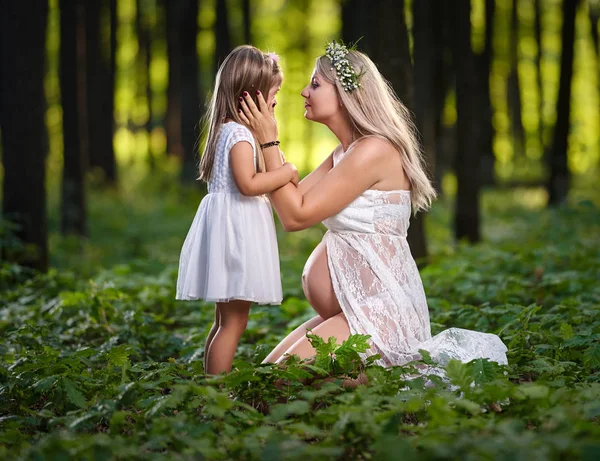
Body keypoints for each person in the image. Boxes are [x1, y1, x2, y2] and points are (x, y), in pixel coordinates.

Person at [239, 41, 508, 368]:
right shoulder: (345, 153)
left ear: (345, 94)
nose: (303, 92)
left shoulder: (374, 151)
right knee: (264, 377)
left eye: (315, 84)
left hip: (381, 318)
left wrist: (270, 140)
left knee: (274, 384)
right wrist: (263, 140)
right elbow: (286, 202)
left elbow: (296, 217)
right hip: (355, 312)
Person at [176, 45, 299, 375]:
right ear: (252, 96)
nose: (275, 103)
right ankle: (216, 392)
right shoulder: (240, 135)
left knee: (225, 320)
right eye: (273, 96)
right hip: (237, 236)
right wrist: (285, 173)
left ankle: (209, 384)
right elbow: (247, 184)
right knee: (234, 322)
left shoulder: (226, 130)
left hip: (231, 230)